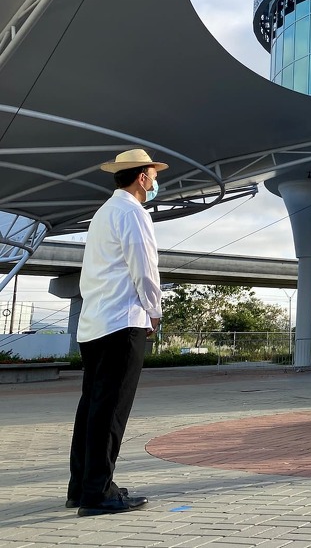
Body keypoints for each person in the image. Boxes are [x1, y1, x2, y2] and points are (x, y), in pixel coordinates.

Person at [68, 149, 167, 516]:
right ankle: (99, 495)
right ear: (142, 177)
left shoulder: (103, 214)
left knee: (92, 409)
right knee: (111, 412)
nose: (156, 181)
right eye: (153, 175)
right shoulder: (133, 213)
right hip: (123, 322)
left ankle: (82, 487)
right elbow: (143, 267)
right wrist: (154, 310)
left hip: (94, 324)